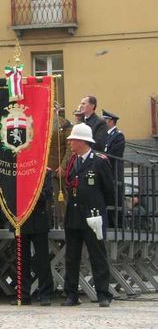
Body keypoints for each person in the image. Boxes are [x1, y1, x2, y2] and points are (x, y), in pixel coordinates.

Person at [62, 123, 114, 307]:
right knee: (71, 256)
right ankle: (71, 293)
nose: (70, 143)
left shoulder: (99, 160)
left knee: (97, 255)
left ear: (82, 141)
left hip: (93, 216)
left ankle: (103, 293)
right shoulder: (72, 161)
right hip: (74, 215)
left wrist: (100, 209)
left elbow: (109, 190)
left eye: (73, 140)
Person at [13, 170, 55, 306]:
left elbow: (47, 194)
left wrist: (29, 192)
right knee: (21, 259)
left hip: (38, 218)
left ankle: (45, 294)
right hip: (21, 219)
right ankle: (23, 294)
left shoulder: (44, 171)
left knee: (42, 259)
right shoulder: (16, 172)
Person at [50, 103, 73, 229]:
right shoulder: (39, 123)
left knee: (61, 198)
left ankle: (63, 223)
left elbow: (70, 147)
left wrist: (64, 166)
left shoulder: (64, 124)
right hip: (43, 169)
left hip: (57, 167)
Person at [102, 110, 125, 228]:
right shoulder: (104, 135)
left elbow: (114, 154)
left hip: (113, 171)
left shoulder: (118, 135)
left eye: (104, 120)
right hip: (105, 170)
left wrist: (102, 157)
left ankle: (118, 224)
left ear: (110, 121)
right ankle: (108, 222)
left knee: (115, 196)